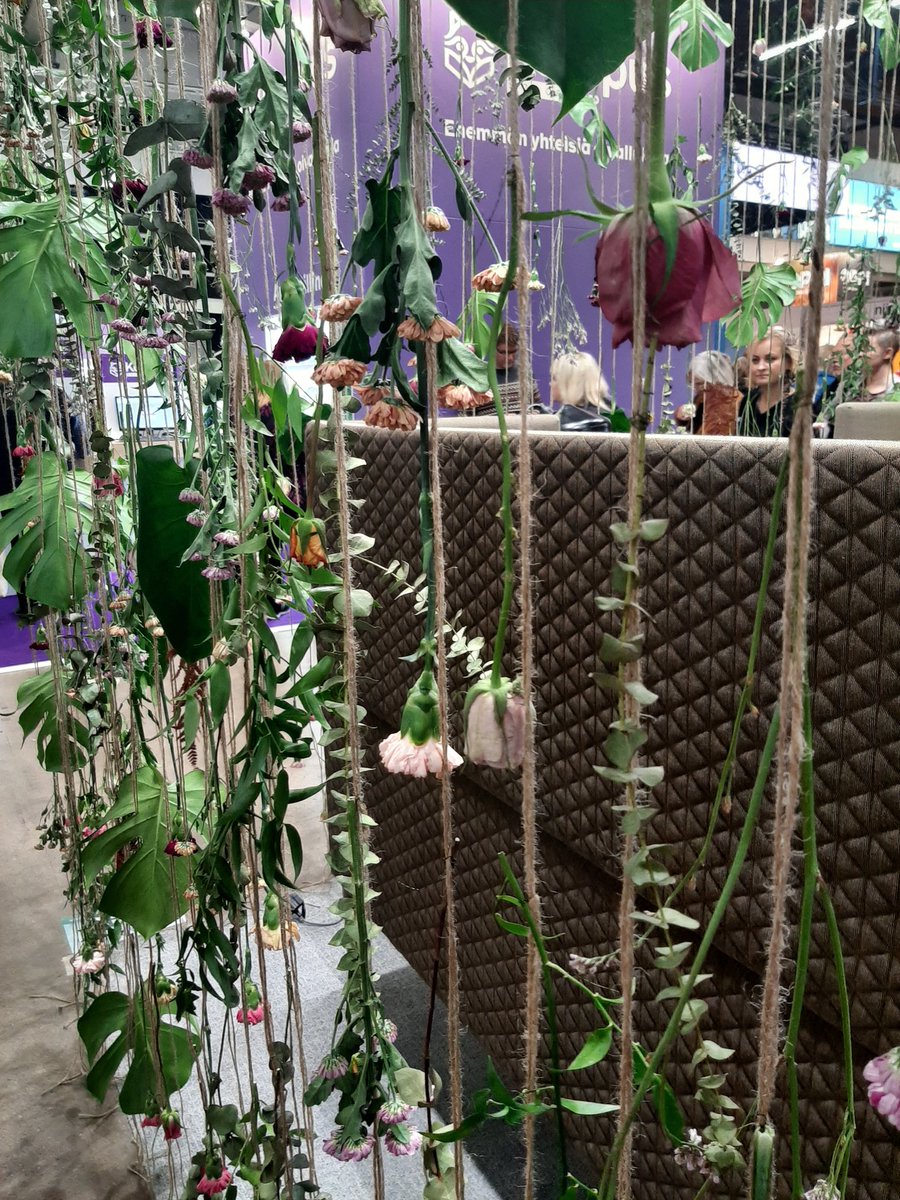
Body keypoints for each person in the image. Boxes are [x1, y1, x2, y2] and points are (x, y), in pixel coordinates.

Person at [470, 323, 541, 416]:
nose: (510, 358)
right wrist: (501, 420)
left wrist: (532, 415)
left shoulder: (524, 372)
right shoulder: (477, 376)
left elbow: (537, 406)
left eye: (513, 352)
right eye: (504, 352)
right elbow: (466, 416)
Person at [738, 328, 797, 437]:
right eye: (755, 360)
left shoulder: (798, 407)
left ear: (788, 362)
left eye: (770, 359)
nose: (761, 367)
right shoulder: (748, 400)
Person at [676, 351, 739, 434]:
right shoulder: (701, 398)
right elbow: (693, 426)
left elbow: (714, 437)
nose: (694, 388)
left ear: (716, 379)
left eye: (699, 383)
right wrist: (683, 417)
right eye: (691, 383)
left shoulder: (729, 401)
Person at [835, 327, 900, 403]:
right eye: (858, 349)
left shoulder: (896, 390)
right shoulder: (848, 384)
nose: (860, 354)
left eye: (867, 349)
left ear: (888, 353)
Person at [550, 352, 611, 433]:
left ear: (570, 382)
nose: (550, 384)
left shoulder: (586, 424)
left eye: (554, 378)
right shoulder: (610, 415)